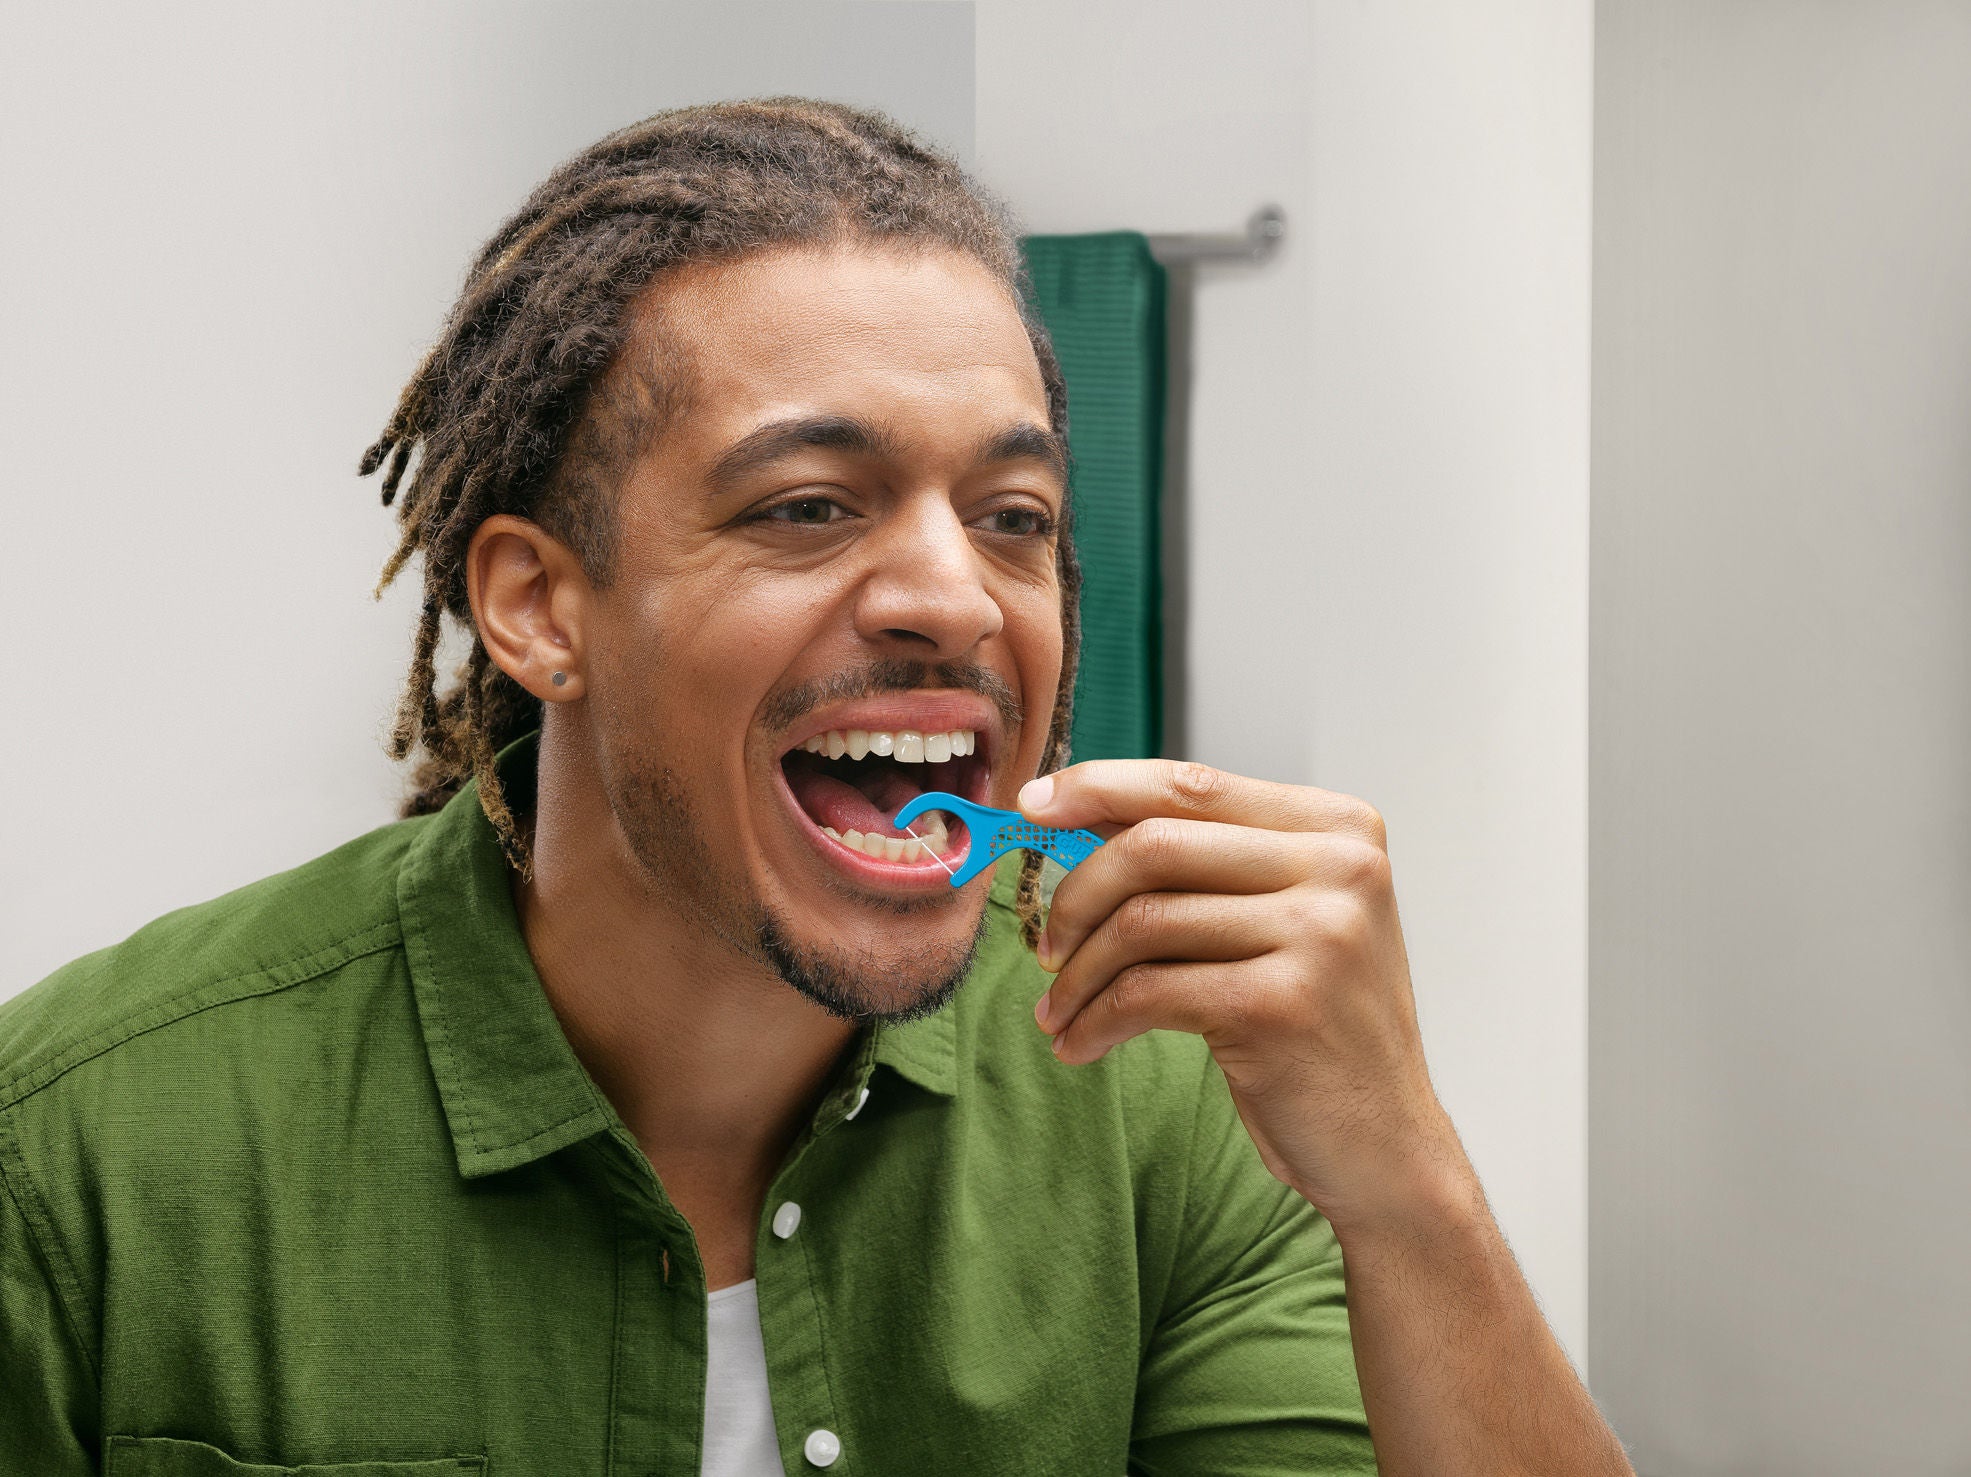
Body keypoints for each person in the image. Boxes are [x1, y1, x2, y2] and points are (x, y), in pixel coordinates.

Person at [0, 98, 1633, 1476]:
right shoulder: (78, 1152)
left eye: (1011, 516)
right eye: (805, 506)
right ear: (538, 607)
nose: (957, 595)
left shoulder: (1175, 1100)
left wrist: (1410, 1187)